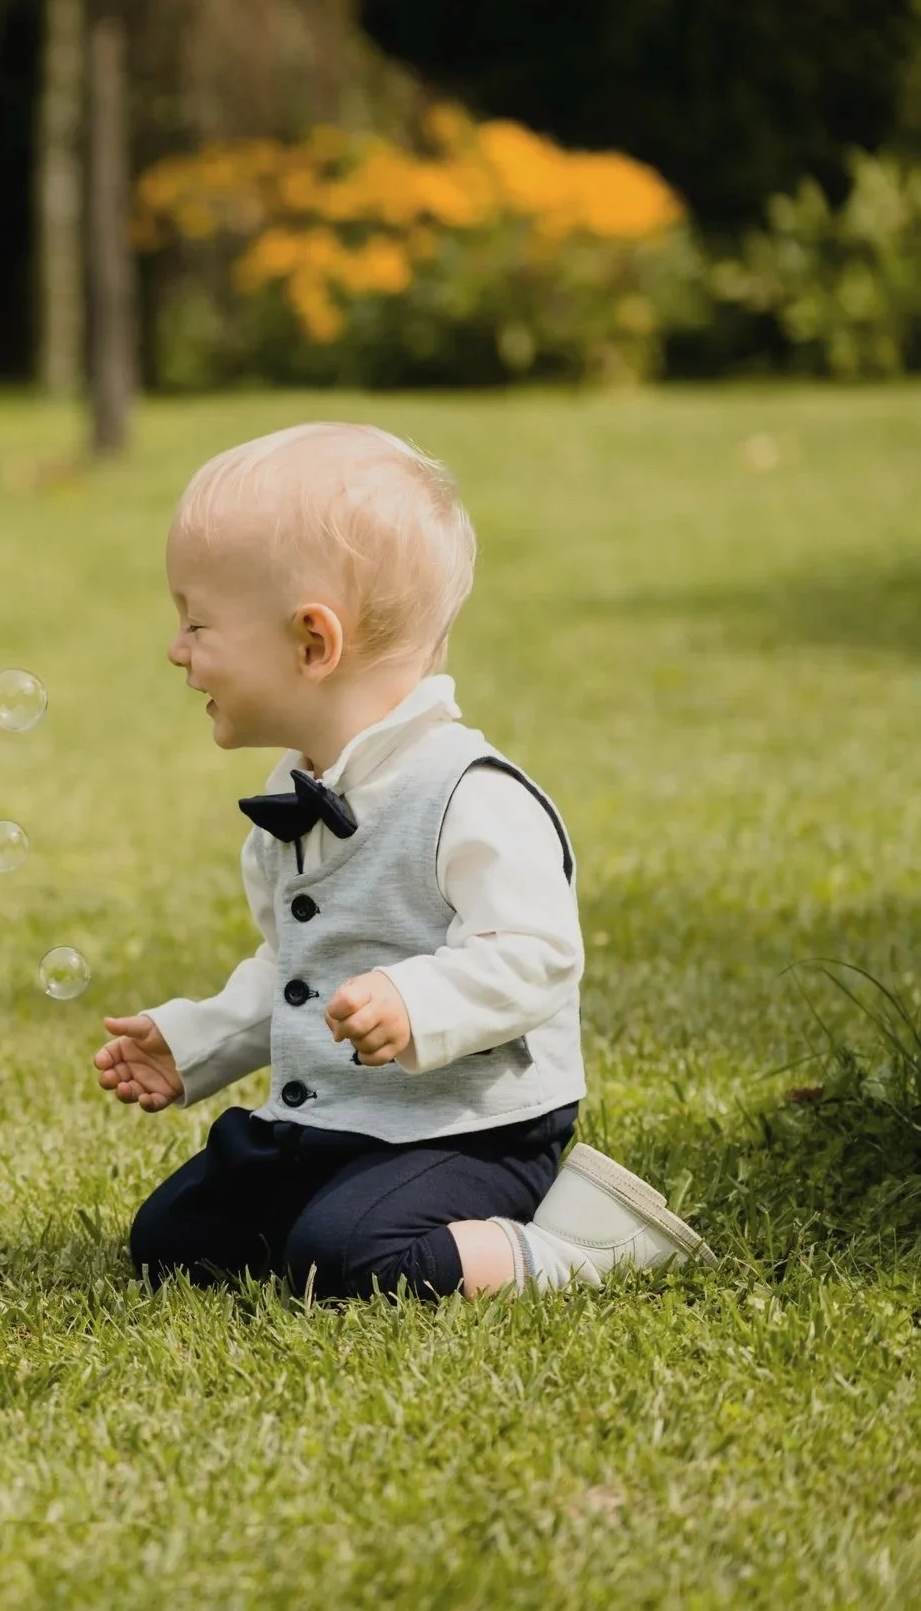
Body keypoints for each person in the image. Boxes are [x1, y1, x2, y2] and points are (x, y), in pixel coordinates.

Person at [93, 422, 708, 1299]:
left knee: (345, 1258)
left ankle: (586, 1249)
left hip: (468, 1130)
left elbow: (537, 957)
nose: (176, 649)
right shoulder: (293, 799)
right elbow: (297, 971)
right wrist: (194, 1045)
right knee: (176, 1240)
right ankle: (338, 1202)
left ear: (313, 642)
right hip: (343, 1119)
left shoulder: (470, 795)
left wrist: (417, 1001)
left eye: (196, 621)